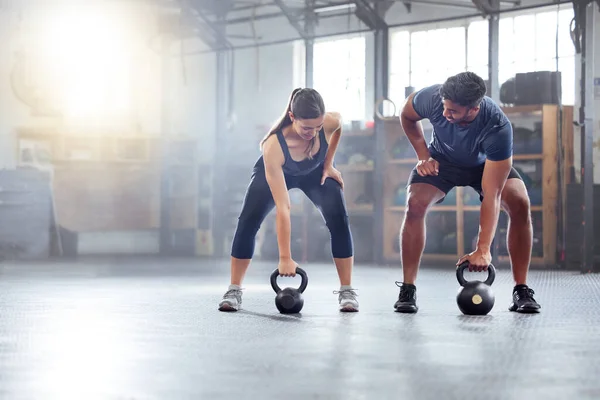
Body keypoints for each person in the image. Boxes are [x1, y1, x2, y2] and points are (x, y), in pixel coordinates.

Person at [393, 72, 541, 314]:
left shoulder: (497, 127)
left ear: (474, 109)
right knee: (415, 204)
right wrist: (423, 156)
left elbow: (491, 194)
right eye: (444, 108)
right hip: (441, 161)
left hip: (484, 166)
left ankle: (521, 289)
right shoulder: (433, 97)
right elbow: (406, 114)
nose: (444, 114)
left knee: (520, 202)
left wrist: (483, 249)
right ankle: (408, 288)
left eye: (453, 111)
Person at [218, 88, 359, 313]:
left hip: (314, 171)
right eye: (306, 128)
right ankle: (234, 289)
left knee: (339, 219)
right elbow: (284, 207)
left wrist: (329, 164)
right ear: (292, 117)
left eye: (318, 127)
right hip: (277, 172)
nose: (313, 133)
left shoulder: (329, 122)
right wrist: (285, 258)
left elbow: (338, 126)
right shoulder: (273, 146)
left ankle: (347, 291)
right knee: (247, 222)